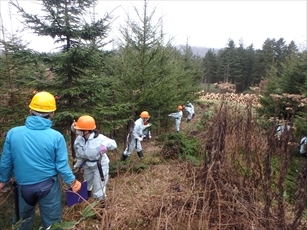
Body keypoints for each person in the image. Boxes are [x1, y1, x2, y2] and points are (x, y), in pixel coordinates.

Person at [0, 91, 81, 230]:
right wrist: (72, 181)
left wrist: (2, 180)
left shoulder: (13, 133)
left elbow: (6, 161)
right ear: (52, 113)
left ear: (30, 110)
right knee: (53, 223)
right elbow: (61, 165)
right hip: (48, 186)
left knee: (22, 222)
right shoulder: (56, 137)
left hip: (24, 186)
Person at [71, 115, 117, 203]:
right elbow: (80, 156)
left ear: (87, 130)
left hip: (100, 166)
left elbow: (114, 144)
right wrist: (77, 165)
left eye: (79, 130)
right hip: (88, 165)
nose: (77, 131)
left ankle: (104, 209)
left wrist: (105, 145)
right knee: (86, 185)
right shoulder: (79, 140)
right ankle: (86, 202)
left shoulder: (100, 138)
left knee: (99, 191)